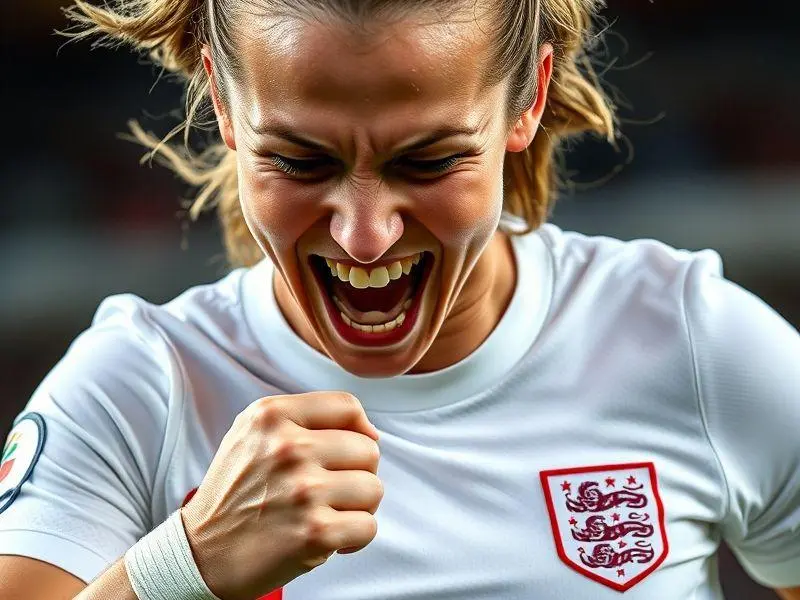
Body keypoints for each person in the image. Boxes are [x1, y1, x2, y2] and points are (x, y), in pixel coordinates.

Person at [0, 0, 798, 598]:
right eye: (302, 161)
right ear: (222, 99)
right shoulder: (138, 389)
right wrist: (185, 567)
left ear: (526, 101)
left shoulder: (694, 341)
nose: (366, 235)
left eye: (429, 161)